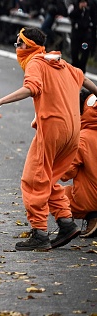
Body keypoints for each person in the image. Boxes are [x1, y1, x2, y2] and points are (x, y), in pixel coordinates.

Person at [0, 27, 97, 251]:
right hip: (73, 131)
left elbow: (31, 88)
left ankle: (39, 233)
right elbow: (85, 80)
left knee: (32, 180)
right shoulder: (60, 63)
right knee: (48, 178)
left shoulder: (36, 63)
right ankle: (65, 223)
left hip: (52, 129)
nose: (16, 48)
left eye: (18, 44)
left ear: (28, 46)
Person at [60, 90, 97, 238]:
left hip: (90, 199)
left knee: (50, 195)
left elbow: (65, 173)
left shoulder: (82, 138)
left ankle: (93, 216)